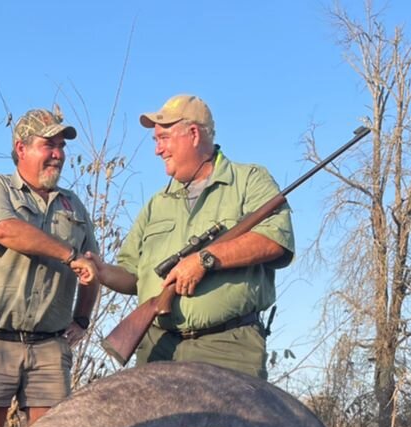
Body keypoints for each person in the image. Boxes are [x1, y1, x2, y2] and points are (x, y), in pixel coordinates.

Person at [87, 94, 294, 378]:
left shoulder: (250, 181)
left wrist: (205, 260)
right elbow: (133, 275)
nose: (158, 150)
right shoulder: (156, 203)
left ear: (193, 134)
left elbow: (275, 240)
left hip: (227, 348)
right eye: (156, 140)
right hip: (158, 348)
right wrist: (102, 272)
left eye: (163, 138)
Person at [0, 108, 101, 427]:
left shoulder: (73, 205)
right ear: (21, 148)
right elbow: (5, 231)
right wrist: (69, 255)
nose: (58, 154)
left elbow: (93, 265)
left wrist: (82, 319)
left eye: (61, 147)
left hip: (49, 347)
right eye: (48, 145)